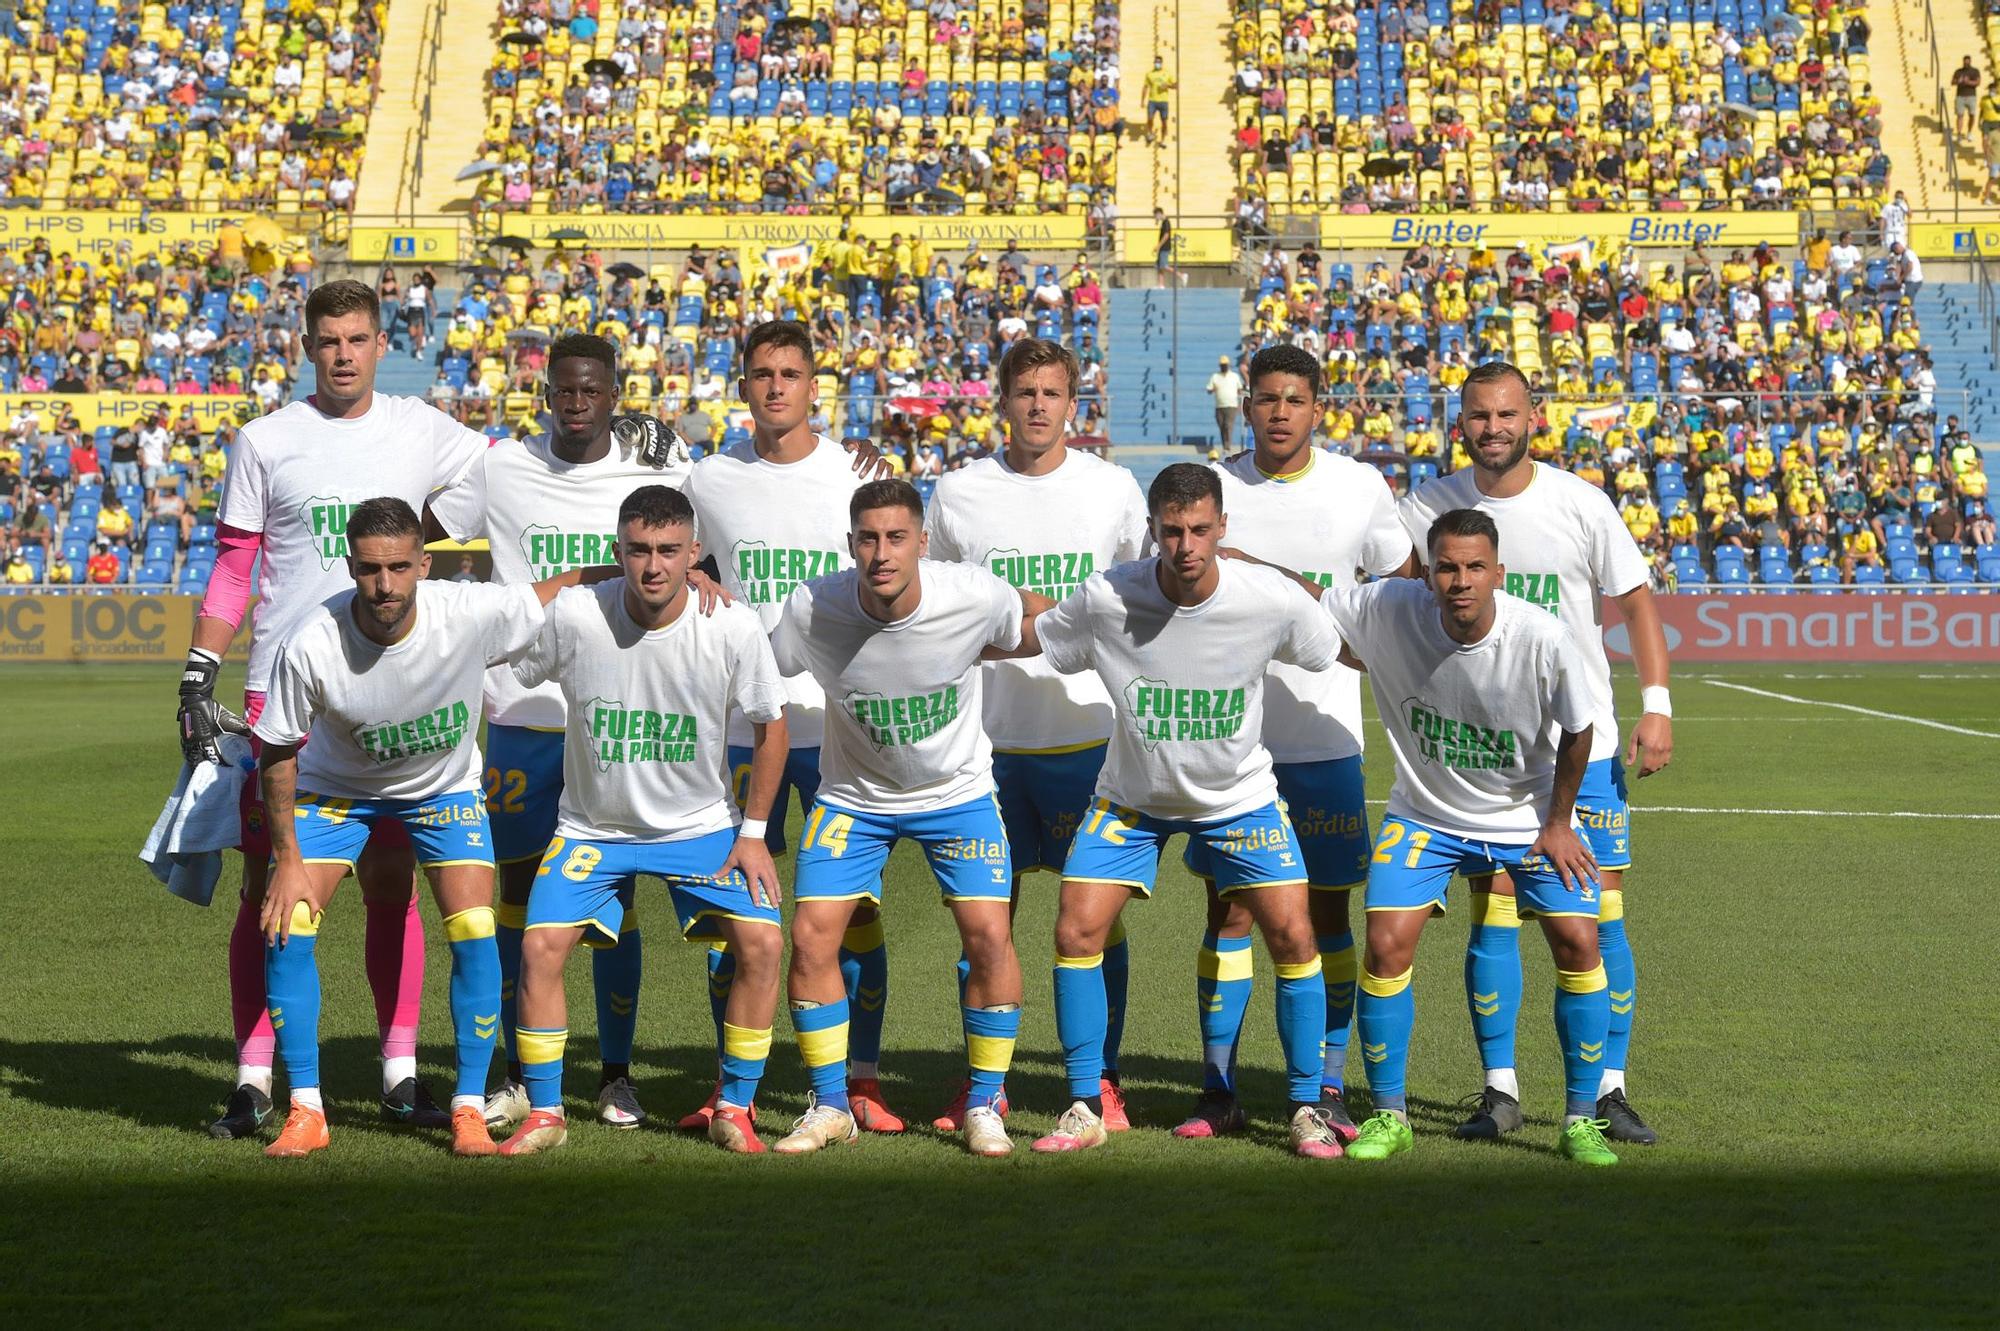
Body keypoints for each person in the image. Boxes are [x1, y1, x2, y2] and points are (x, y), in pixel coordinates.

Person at [175, 279, 489, 1141]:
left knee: (394, 887)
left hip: (388, 691)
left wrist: (416, 528)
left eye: (358, 338)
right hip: (282, 689)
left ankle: (397, 1072)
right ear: (307, 347)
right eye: (328, 340)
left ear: (380, 342)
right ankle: (254, 1079)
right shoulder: (266, 439)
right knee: (267, 890)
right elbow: (237, 567)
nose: (344, 353)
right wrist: (201, 668)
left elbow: (495, 476)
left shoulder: (420, 427)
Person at [1008, 463, 1345, 1160]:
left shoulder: (1266, 597)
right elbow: (1045, 638)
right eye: (1171, 531)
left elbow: (1324, 647)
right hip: (1132, 797)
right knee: (1076, 929)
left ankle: (1307, 1106)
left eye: (1199, 529)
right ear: (1153, 531)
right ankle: (1083, 1101)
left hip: (1240, 797)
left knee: (1293, 934)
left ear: (1223, 528)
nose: (1185, 545)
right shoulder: (1108, 596)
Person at [1277, 508, 1617, 1166]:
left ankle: (1580, 1120)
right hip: (1426, 815)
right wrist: (1239, 560)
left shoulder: (1542, 638)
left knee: (1580, 939)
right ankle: (1390, 1114)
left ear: (1498, 573)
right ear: (1427, 572)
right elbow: (1310, 596)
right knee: (1385, 942)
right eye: (1447, 567)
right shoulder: (1389, 606)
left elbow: (1580, 730)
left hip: (1526, 817)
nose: (1460, 580)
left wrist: (1556, 822)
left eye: (1474, 567)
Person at [426, 334, 695, 1134]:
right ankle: (516, 1070)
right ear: (546, 394)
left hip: (617, 716)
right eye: (563, 392)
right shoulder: (502, 466)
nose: (576, 405)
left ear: (616, 394)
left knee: (617, 894)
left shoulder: (656, 467)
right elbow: (425, 531)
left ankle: (615, 1075)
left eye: (592, 391)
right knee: (514, 891)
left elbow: (718, 524)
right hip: (522, 714)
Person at [1401, 361, 1672, 1145]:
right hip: (1483, 755)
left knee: (1598, 918)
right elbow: (1389, 592)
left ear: (1535, 416)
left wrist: (1657, 706)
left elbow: (1637, 602)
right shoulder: (1428, 507)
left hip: (1583, 751)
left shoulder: (1581, 503)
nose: (1494, 427)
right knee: (1493, 913)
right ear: (1461, 423)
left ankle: (1610, 1089)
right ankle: (1499, 1090)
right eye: (1479, 415)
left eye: (1507, 413)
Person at [252, 497, 573, 1158]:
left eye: (400, 566)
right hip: (337, 791)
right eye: (371, 568)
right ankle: (306, 1108)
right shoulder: (312, 640)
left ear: (425, 563)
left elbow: (564, 585)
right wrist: (285, 859)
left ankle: (467, 1107)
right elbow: (279, 753)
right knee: (288, 927)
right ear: (350, 564)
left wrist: (683, 574)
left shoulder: (470, 611)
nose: (386, 584)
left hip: (443, 790)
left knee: (476, 930)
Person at [497, 486, 791, 1157]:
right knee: (540, 946)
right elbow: (513, 661)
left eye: (667, 550)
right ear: (617, 552)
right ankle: (545, 1112)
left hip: (702, 829)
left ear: (694, 555)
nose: (652, 565)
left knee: (763, 943)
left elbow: (770, 726)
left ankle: (735, 1105)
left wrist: (752, 833)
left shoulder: (732, 624)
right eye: (637, 550)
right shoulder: (576, 614)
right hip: (591, 832)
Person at [1174, 344, 1417, 1143]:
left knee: (1324, 915)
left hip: (1324, 739)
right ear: (1246, 407)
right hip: (1229, 751)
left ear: (1320, 407)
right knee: (1230, 912)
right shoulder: (1214, 489)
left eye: (1294, 398)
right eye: (1266, 399)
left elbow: (1399, 592)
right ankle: (1219, 1088)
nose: (1279, 411)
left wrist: (1277, 577)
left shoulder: (1359, 488)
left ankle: (1326, 1082)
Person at [767, 478, 1038, 1158]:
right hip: (854, 798)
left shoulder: (971, 594)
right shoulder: (813, 607)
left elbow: (1039, 621)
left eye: (895, 538)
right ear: (850, 543)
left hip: (958, 794)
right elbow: (757, 662)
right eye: (867, 538)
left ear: (922, 541)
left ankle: (984, 1102)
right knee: (810, 936)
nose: (881, 553)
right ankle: (831, 1104)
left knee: (989, 936)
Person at [922, 337, 1150, 1131]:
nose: (1039, 406)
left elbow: (1139, 591)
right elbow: (942, 598)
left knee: (1095, 923)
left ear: (1073, 402)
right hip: (985, 745)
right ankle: (985, 1083)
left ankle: (1103, 1078)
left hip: (1090, 736)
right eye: (1026, 392)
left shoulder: (1114, 488)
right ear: (1003, 398)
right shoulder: (957, 494)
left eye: (1054, 392)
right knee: (987, 924)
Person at [678, 320, 895, 1132]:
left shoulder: (853, 472)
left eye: (791, 374)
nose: (776, 387)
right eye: (762, 373)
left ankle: (857, 1080)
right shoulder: (708, 478)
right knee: (733, 918)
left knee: (850, 916)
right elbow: (687, 566)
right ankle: (733, 1079)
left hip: (840, 727)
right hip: (740, 729)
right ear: (743, 385)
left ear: (815, 386)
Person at [1207, 355, 1243, 449]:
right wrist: (1212, 389)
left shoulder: (1234, 376)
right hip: (1219, 405)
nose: (1224, 366)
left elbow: (1240, 390)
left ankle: (1227, 446)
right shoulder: (1215, 376)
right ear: (1220, 365)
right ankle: (1225, 445)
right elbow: (1209, 389)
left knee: (1228, 425)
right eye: (1222, 365)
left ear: (1228, 365)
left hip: (1231, 405)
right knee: (1222, 426)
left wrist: (1239, 403)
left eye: (1225, 365)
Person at [1144, 55, 1175, 142]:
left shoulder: (1167, 73)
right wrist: (1142, 100)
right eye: (1156, 62)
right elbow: (1145, 87)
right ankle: (1150, 133)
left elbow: (1175, 85)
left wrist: (1168, 85)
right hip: (1152, 100)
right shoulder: (1149, 74)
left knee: (1164, 121)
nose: (1157, 64)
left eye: (1159, 62)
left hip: (1163, 101)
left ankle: (1163, 139)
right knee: (1150, 118)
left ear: (1161, 63)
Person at [1953, 56, 1981, 140]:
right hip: (1960, 96)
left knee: (1972, 115)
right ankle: (1959, 133)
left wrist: (1968, 82)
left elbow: (1978, 82)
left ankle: (1969, 132)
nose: (1966, 63)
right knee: (1960, 115)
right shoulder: (1958, 71)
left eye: (1967, 62)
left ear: (1970, 62)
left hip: (1971, 96)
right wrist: (1959, 81)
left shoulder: (1975, 71)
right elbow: (1953, 82)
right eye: (1965, 62)